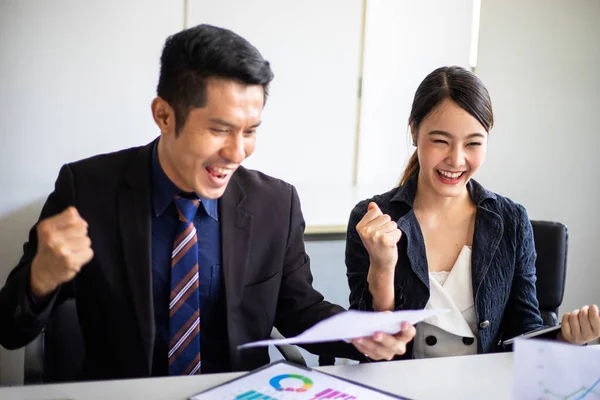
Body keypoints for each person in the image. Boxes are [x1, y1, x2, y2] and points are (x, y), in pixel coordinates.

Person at [0, 24, 415, 380]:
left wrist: (365, 332)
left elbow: (300, 310)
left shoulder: (275, 203)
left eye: (250, 131)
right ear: (164, 115)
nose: (238, 153)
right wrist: (41, 277)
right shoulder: (88, 190)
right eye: (219, 130)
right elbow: (10, 328)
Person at [345, 66, 600, 360]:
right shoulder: (374, 219)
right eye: (441, 141)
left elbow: (524, 334)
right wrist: (382, 268)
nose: (456, 159)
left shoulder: (510, 221)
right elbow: (368, 349)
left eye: (473, 143)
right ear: (414, 130)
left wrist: (568, 339)